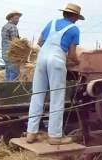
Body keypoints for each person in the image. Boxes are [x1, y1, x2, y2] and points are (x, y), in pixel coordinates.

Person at [27, 3, 83, 145]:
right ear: (75, 16)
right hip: (56, 61)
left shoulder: (51, 23)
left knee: (37, 95)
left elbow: (40, 42)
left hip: (41, 59)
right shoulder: (74, 29)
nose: (77, 20)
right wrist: (78, 62)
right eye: (77, 17)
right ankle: (55, 136)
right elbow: (71, 55)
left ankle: (31, 133)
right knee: (57, 97)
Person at [1, 11, 22, 81]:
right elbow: (15, 42)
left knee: (8, 72)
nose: (18, 21)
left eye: (18, 19)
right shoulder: (13, 27)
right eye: (16, 18)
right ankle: (11, 90)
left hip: (5, 54)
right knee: (15, 73)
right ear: (11, 18)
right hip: (12, 54)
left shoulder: (4, 27)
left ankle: (7, 89)